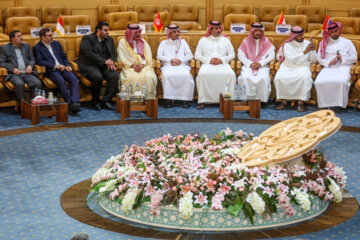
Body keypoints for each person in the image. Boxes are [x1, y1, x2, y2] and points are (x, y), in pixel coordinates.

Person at [33, 28, 81, 116]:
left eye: (52, 35)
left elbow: (63, 56)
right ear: (43, 37)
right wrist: (55, 66)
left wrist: (67, 65)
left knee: (73, 78)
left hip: (63, 67)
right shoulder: (37, 47)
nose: (52, 37)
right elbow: (40, 61)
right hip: (51, 70)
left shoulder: (56, 44)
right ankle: (70, 104)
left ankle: (75, 102)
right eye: (49, 35)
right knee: (61, 81)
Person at [76, 22, 118, 111]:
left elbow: (113, 54)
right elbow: (88, 54)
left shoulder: (109, 39)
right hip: (90, 65)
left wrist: (111, 61)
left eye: (108, 30)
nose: (108, 32)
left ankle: (106, 100)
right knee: (97, 77)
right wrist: (104, 61)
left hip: (104, 65)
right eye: (105, 30)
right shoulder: (88, 39)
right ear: (98, 30)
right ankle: (95, 102)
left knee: (114, 76)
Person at [315, 22, 357, 110]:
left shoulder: (347, 42)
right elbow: (319, 57)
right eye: (332, 32)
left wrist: (343, 59)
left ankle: (339, 104)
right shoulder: (323, 43)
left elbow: (354, 58)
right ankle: (324, 104)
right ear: (328, 33)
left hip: (344, 67)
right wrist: (329, 62)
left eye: (336, 31)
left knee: (341, 81)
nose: (334, 34)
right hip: (329, 67)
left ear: (339, 30)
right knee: (319, 81)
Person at [194, 20, 236, 109]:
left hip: (223, 64)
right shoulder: (203, 40)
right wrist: (209, 60)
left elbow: (232, 54)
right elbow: (197, 55)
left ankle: (227, 100)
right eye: (216, 28)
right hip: (207, 65)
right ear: (210, 29)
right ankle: (202, 100)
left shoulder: (226, 40)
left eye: (219, 28)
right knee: (202, 75)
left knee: (231, 74)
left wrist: (222, 60)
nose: (219, 30)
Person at [273, 26, 316, 112]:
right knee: (279, 78)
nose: (302, 37)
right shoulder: (287, 45)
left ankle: (301, 102)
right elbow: (290, 59)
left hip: (303, 66)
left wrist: (313, 51)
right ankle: (284, 101)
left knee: (304, 78)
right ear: (294, 36)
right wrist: (304, 52)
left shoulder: (308, 43)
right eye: (299, 35)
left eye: (302, 34)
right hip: (288, 66)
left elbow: (313, 60)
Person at [0, 30, 42, 110]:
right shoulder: (4, 48)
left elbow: (32, 59)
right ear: (12, 39)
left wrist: (30, 65)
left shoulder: (26, 46)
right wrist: (12, 69)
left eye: (21, 35)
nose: (21, 38)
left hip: (26, 73)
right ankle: (22, 107)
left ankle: (33, 106)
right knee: (20, 84)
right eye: (18, 36)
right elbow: (1, 62)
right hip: (13, 74)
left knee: (37, 83)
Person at [157, 24, 194, 108]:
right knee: (167, 75)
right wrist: (171, 60)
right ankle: (168, 99)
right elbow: (159, 56)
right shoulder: (163, 43)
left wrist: (181, 60)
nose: (177, 33)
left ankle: (185, 99)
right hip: (168, 66)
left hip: (182, 65)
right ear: (169, 33)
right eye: (174, 32)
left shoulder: (183, 42)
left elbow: (190, 55)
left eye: (178, 31)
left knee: (186, 75)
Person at [237, 23, 275, 104]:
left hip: (262, 66)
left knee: (264, 79)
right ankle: (247, 100)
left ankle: (261, 101)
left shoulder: (266, 41)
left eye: (260, 31)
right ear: (252, 31)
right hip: (248, 66)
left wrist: (260, 63)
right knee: (245, 78)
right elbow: (240, 54)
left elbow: (272, 55)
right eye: (256, 31)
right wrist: (250, 63)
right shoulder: (245, 42)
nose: (258, 32)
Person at [117, 24, 157, 99]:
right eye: (135, 32)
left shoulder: (143, 41)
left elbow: (149, 56)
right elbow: (122, 57)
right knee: (129, 77)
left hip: (144, 66)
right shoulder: (122, 43)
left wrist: (143, 65)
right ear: (130, 33)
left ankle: (148, 101)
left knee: (149, 76)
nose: (138, 34)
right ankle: (130, 103)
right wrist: (132, 65)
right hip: (129, 67)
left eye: (139, 32)